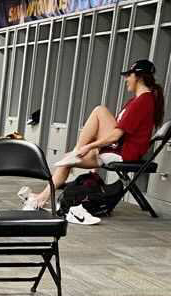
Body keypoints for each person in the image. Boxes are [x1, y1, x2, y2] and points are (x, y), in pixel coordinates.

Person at [22, 58, 165, 208]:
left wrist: (89, 147)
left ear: (139, 77)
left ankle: (76, 152)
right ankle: (42, 198)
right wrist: (91, 147)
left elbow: (116, 135)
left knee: (99, 110)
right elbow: (115, 131)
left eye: (129, 75)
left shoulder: (143, 101)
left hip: (124, 153)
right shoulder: (136, 100)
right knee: (67, 160)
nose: (126, 79)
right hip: (116, 148)